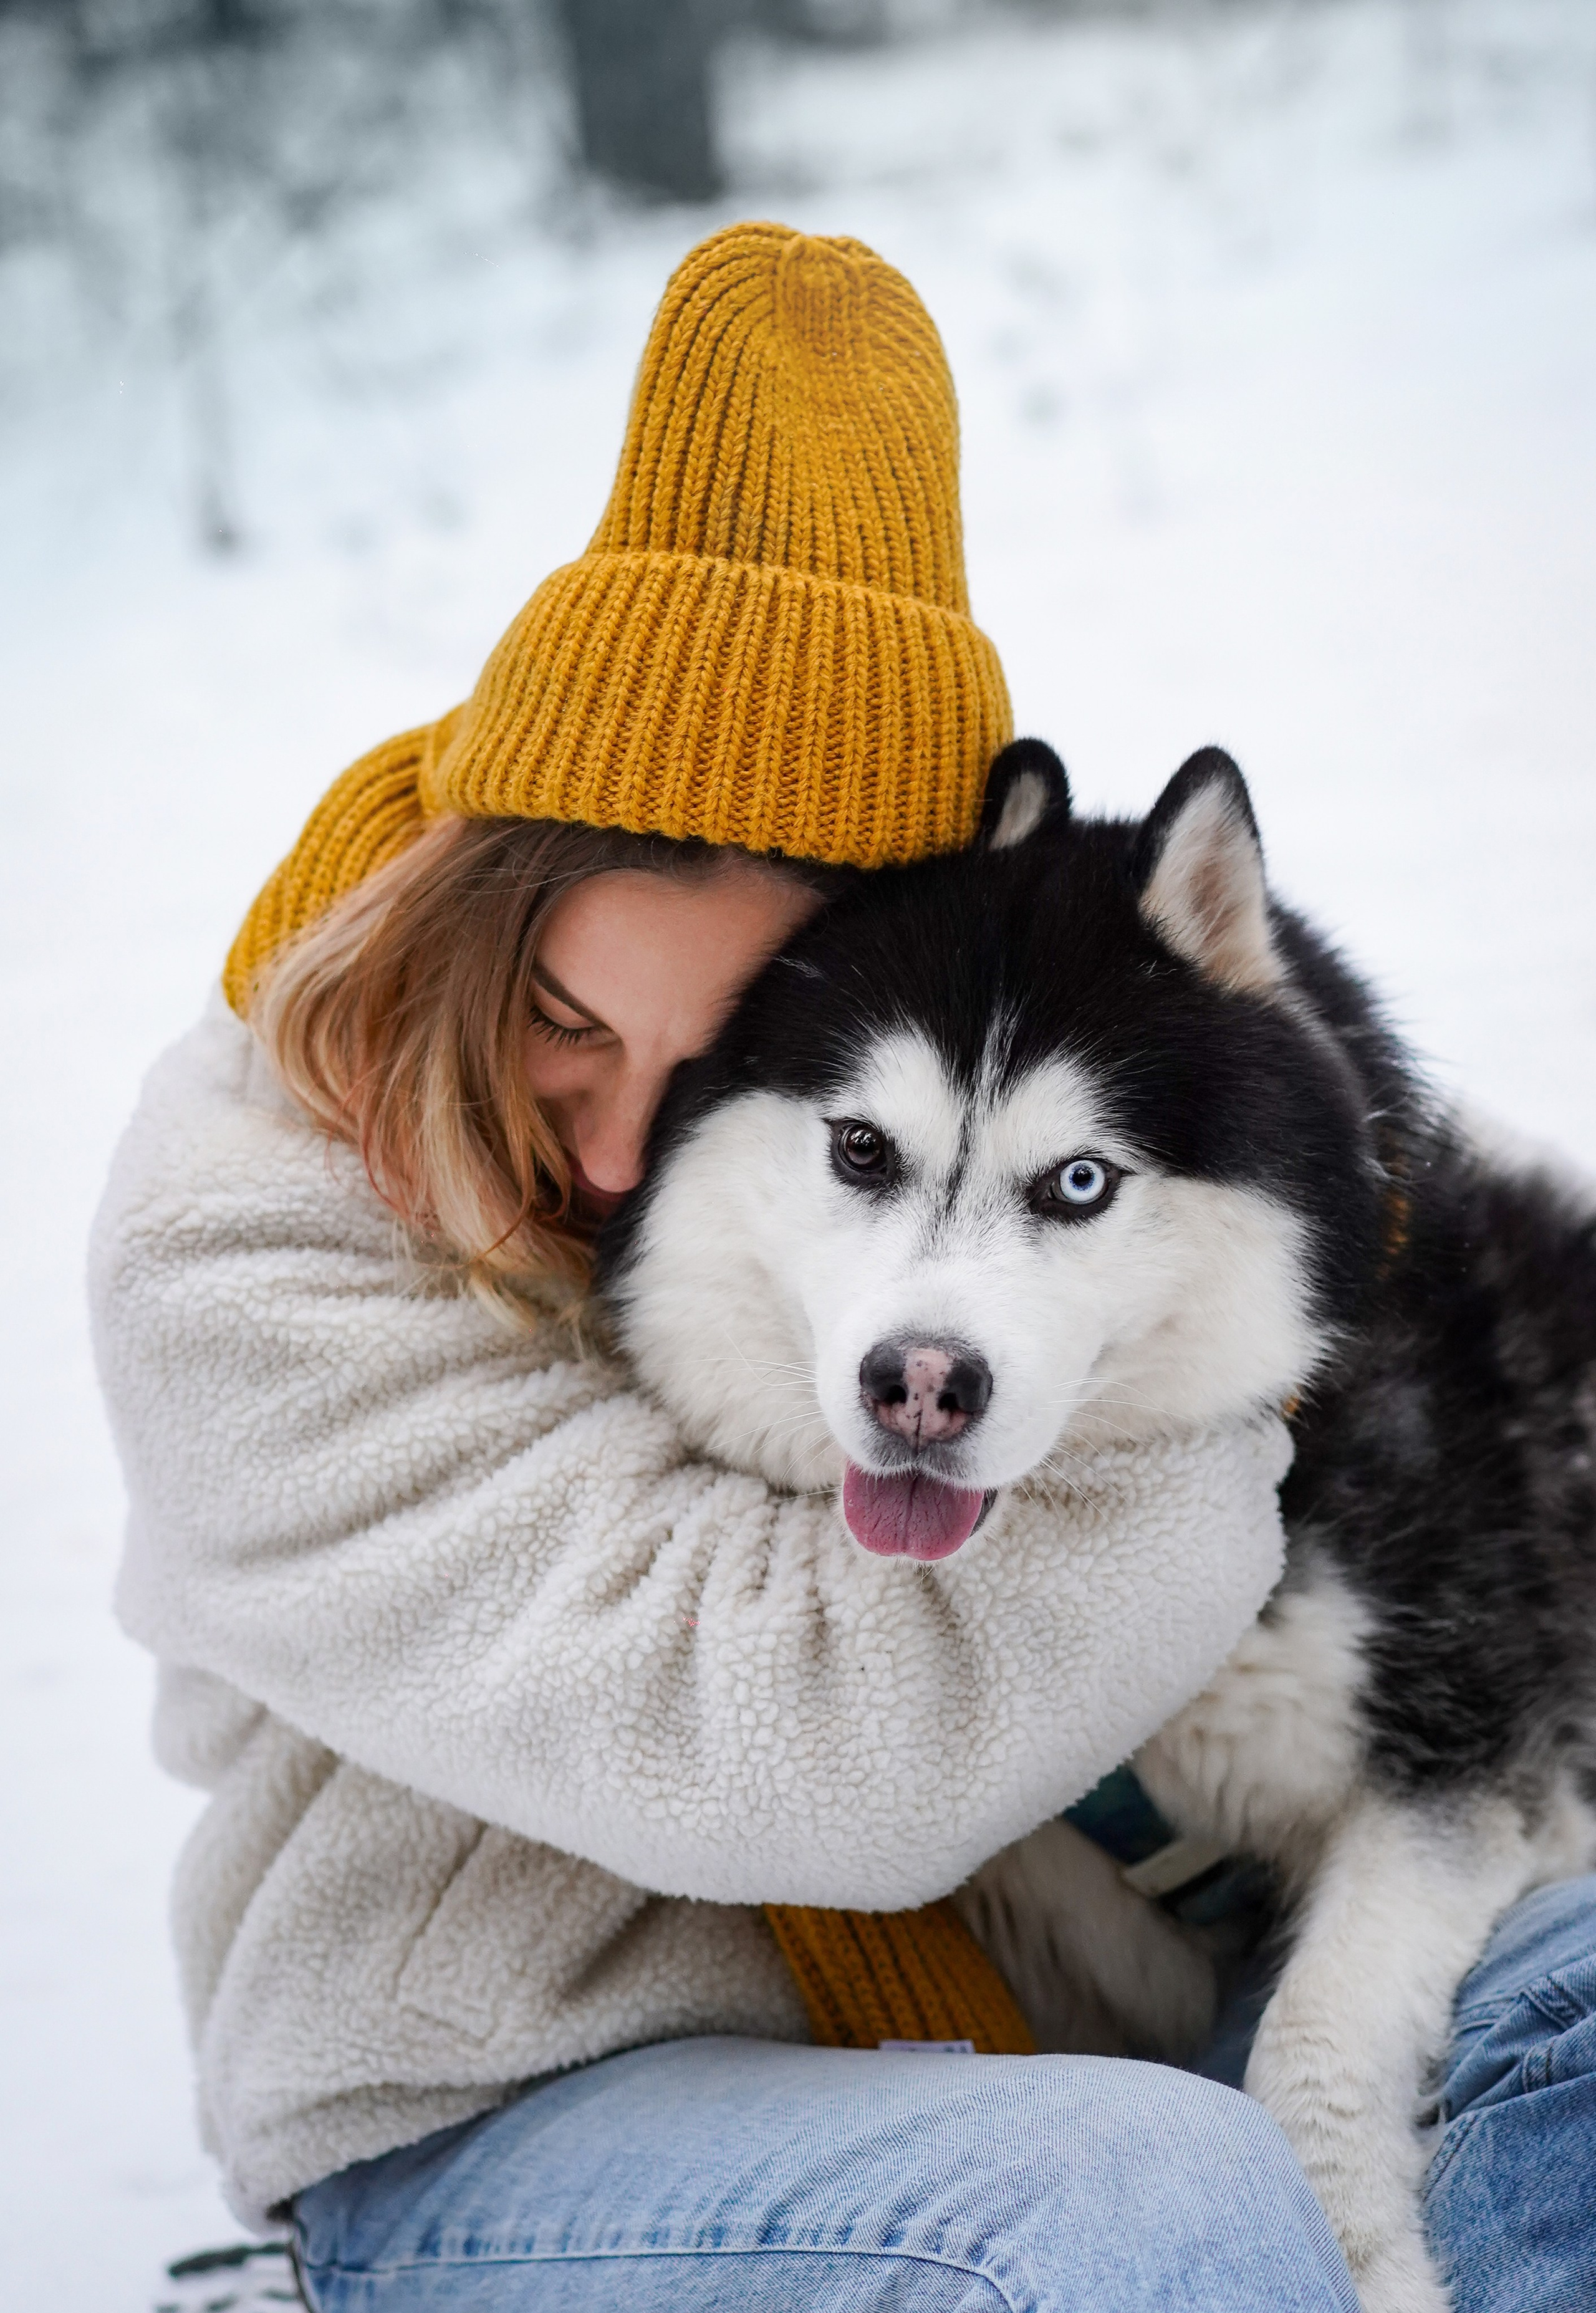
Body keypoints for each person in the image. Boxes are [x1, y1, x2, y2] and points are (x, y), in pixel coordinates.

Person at [89, 224, 1594, 2313]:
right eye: (560, 1019)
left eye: (708, 1076)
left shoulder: (860, 1152)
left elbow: (1308, 1162)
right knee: (1144, 2213)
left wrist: (1344, 1181)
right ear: (481, 893)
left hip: (1028, 2033)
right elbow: (819, 1745)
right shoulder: (245, 1238)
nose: (617, 1151)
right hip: (514, 2111)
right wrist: (1245, 1338)